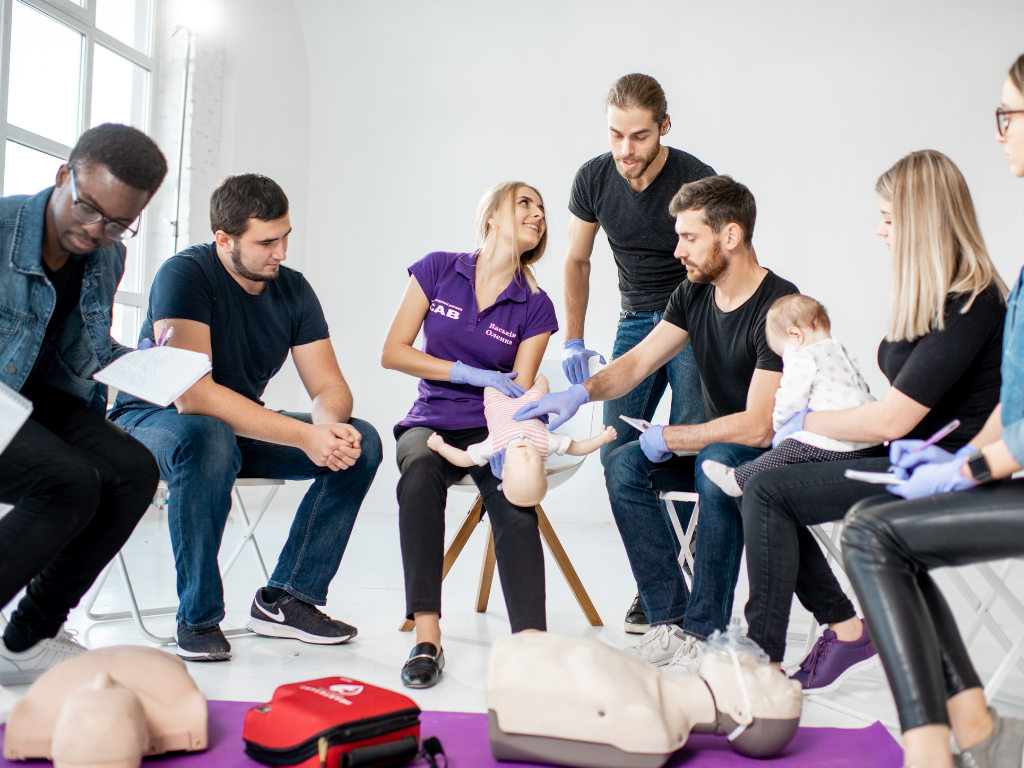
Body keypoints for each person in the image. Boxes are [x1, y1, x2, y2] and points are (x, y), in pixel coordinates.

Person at [738, 149, 1006, 695]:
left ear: (921, 222)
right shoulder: (937, 298)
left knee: (766, 491)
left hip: (941, 473)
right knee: (762, 481)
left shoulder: (970, 304)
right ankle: (842, 631)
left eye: (888, 218)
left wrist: (808, 417)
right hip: (904, 456)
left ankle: (762, 667)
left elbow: (890, 419)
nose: (879, 230)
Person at [517, 175, 798, 671]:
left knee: (714, 459)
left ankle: (706, 632)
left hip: (770, 456)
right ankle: (670, 618)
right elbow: (638, 363)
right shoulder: (693, 294)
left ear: (730, 236)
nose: (677, 250)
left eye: (689, 237)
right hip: (717, 447)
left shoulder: (779, 306)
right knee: (623, 464)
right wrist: (580, 392)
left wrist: (673, 436)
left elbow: (759, 428)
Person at [109, 174, 382, 662]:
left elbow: (329, 386)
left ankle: (287, 599)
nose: (281, 252)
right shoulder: (185, 275)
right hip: (151, 420)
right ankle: (197, 617)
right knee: (208, 435)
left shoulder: (293, 290)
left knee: (361, 441)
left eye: (285, 237)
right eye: (266, 242)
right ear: (224, 239)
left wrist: (325, 429)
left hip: (232, 428)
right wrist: (303, 436)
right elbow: (192, 395)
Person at [841, 53, 1024, 768]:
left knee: (869, 534)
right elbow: (1015, 402)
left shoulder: (979, 297)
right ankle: (974, 733)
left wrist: (969, 468)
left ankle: (934, 754)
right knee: (878, 528)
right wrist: (966, 458)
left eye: (1009, 114)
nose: (1001, 132)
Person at [0, 124, 167, 684]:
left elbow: (81, 347)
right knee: (69, 482)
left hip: (33, 393)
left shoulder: (106, 257)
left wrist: (150, 364)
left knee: (133, 470)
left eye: (117, 223)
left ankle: (28, 638)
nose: (96, 230)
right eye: (88, 208)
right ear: (62, 177)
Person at [381, 181, 558, 689]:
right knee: (418, 477)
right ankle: (428, 637)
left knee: (514, 501)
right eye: (524, 203)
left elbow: (521, 387)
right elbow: (393, 351)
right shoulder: (438, 269)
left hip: (493, 424)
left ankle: (530, 644)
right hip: (431, 419)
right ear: (491, 215)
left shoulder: (536, 305)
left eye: (542, 209)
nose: (537, 214)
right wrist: (463, 372)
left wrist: (516, 439)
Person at [562, 73, 717, 633]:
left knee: (688, 454)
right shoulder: (593, 178)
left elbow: (721, 265)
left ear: (664, 127)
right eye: (616, 135)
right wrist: (573, 337)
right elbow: (577, 260)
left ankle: (676, 580)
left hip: (691, 323)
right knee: (616, 456)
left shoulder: (696, 180)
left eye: (639, 136)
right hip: (634, 321)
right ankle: (660, 582)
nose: (626, 150)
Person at [702, 294, 878, 497]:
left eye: (782, 353)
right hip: (868, 445)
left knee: (788, 449)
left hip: (833, 445)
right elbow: (863, 388)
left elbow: (791, 397)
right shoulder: (841, 351)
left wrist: (779, 424)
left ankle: (739, 479)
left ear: (796, 335)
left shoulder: (803, 355)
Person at [425, 373, 618, 507]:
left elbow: (462, 459)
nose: (523, 454)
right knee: (541, 388)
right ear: (544, 468)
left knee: (490, 387)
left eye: (516, 461)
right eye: (532, 460)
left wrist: (441, 447)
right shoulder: (546, 443)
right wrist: (601, 439)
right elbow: (578, 448)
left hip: (498, 404)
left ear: (503, 471)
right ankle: (540, 382)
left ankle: (497, 373)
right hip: (531, 402)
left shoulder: (494, 448)